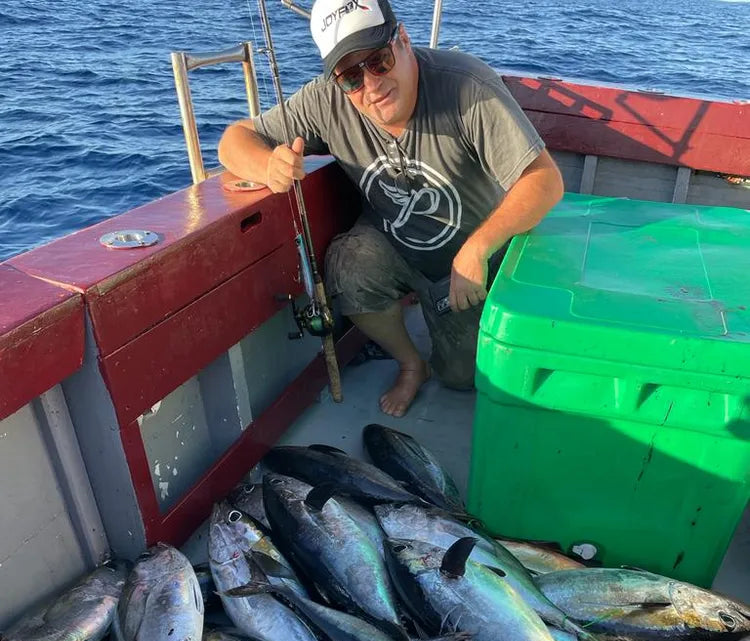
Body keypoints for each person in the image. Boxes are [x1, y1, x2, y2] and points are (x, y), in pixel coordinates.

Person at [218, 0, 564, 417]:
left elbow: (545, 181)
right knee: (348, 267)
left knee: (461, 377)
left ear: (403, 39)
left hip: (470, 260)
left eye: (378, 61)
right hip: (393, 246)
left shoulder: (467, 86)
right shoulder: (326, 101)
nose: (371, 84)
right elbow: (234, 139)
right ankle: (410, 363)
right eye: (350, 76)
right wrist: (267, 165)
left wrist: (478, 248)